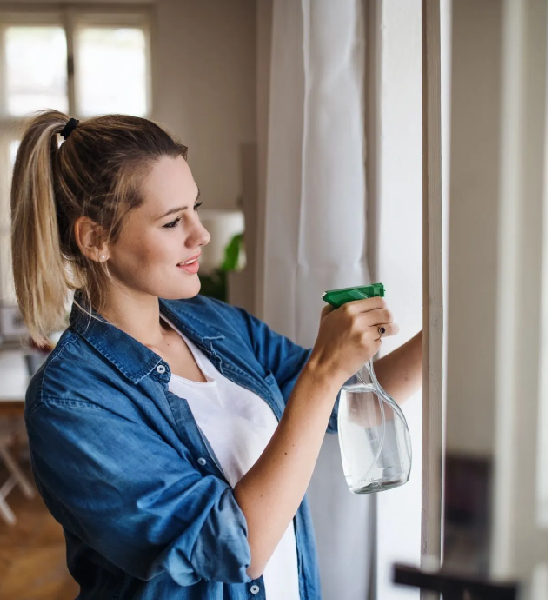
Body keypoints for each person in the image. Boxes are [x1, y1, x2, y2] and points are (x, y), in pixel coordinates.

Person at [11, 110, 423, 600]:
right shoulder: (71, 404)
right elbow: (233, 548)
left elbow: (342, 403)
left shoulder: (215, 324)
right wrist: (321, 373)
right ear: (95, 240)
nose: (201, 234)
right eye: (172, 221)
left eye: (195, 208)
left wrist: (450, 327)